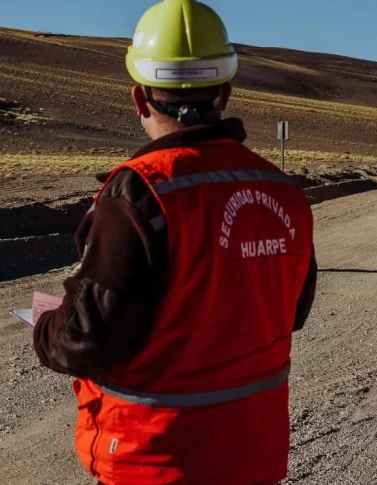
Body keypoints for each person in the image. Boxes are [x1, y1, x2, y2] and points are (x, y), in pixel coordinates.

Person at [31, 1, 318, 484]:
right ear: (225, 93)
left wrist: (45, 325)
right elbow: (292, 310)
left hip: (154, 462)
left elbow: (83, 340)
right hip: (254, 455)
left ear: (139, 98)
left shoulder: (141, 193)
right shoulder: (282, 190)